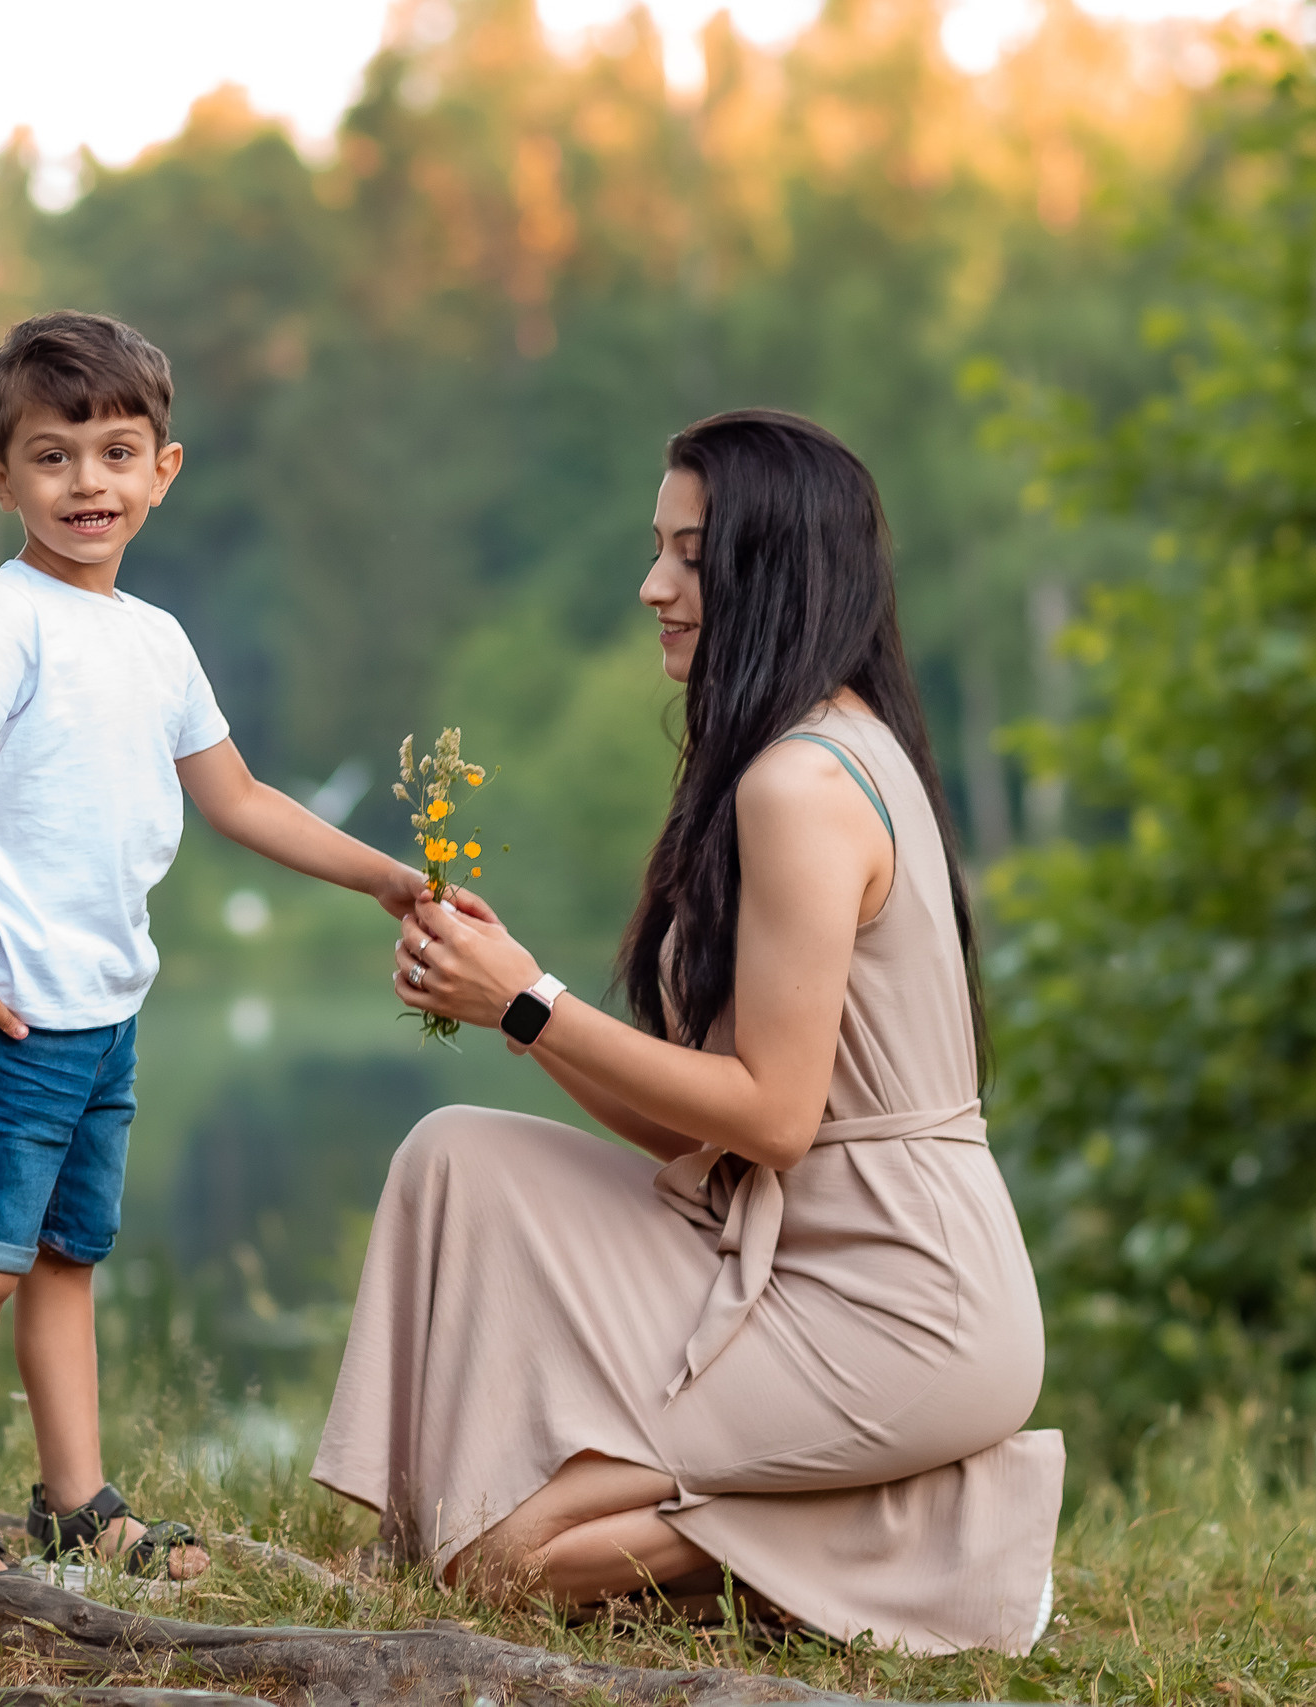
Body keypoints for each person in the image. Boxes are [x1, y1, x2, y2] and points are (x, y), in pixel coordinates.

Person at [316, 409, 1063, 1655]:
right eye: (657, 548)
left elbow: (771, 1115)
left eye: (691, 556)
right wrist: (519, 1012)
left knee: (502, 1567)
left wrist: (528, 998)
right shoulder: (798, 754)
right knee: (454, 1153)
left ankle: (940, 1527)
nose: (652, 586)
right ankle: (846, 1507)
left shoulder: (802, 785)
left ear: (776, 572)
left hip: (903, 1303)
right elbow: (699, 1123)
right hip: (785, 1254)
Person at [0, 311, 424, 1583]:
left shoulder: (156, 640)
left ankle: (76, 1505)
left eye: (117, 453)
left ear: (163, 470)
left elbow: (237, 797)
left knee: (66, 1262)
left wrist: (387, 878)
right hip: (9, 1012)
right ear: (0, 478)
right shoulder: (0, 620)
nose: (88, 483)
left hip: (105, 1014)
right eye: (53, 457)